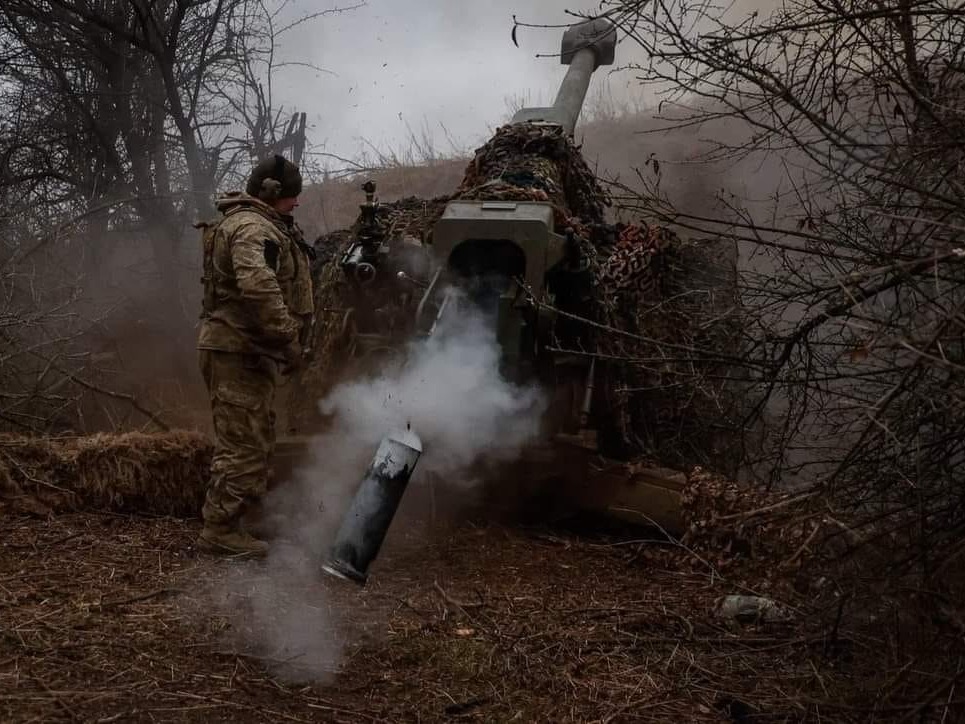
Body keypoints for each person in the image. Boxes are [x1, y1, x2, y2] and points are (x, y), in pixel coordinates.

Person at [196, 155, 315, 556]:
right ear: (271, 192)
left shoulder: (259, 224)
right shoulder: (250, 228)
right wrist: (288, 339)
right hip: (237, 349)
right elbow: (259, 288)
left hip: (246, 349)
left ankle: (241, 517)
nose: (297, 204)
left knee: (257, 437)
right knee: (242, 444)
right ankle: (220, 529)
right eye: (292, 196)